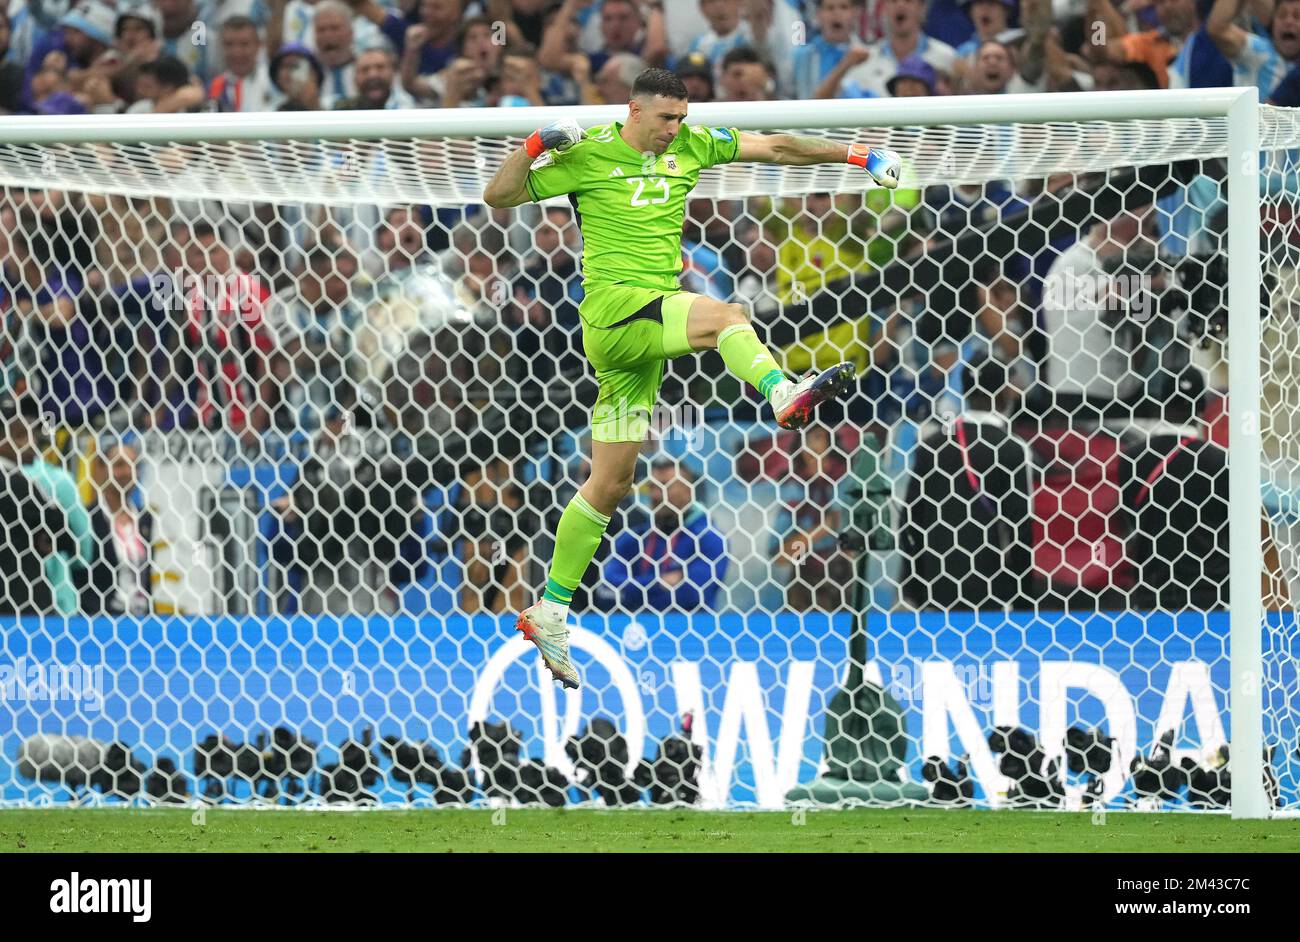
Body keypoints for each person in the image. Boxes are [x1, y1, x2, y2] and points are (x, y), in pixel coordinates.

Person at [483, 67, 901, 687]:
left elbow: (777, 147)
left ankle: (551, 607)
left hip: (636, 345)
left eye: (681, 118)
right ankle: (781, 391)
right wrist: (535, 146)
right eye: (665, 119)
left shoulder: (691, 145)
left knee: (611, 481)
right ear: (632, 111)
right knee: (728, 315)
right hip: (614, 312)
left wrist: (858, 153)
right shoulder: (589, 150)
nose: (675, 129)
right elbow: (500, 195)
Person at [898, 355, 1037, 610]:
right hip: (992, 592)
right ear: (1004, 393)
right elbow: (1020, 528)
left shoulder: (931, 447)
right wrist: (1023, 597)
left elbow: (910, 521)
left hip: (936, 590)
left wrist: (915, 587)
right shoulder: (1011, 450)